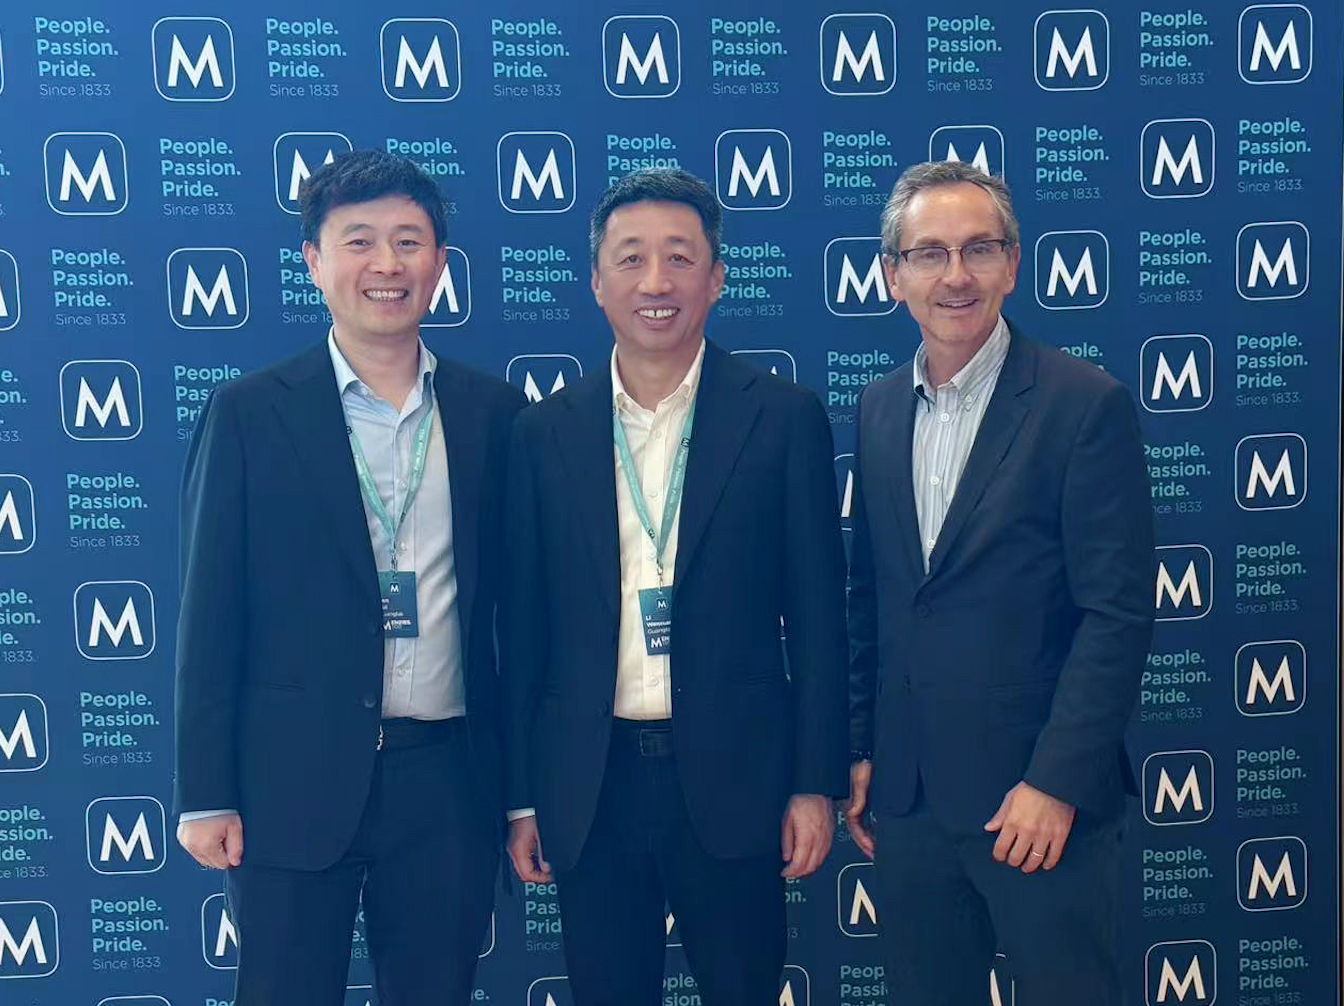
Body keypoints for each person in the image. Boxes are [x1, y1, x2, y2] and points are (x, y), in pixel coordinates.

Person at [174, 150, 524, 1005]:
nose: (386, 264)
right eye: (359, 240)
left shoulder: (494, 414)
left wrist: (521, 795)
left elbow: (521, 621)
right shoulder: (250, 412)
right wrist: (205, 794)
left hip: (446, 779)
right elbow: (208, 613)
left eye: (408, 240)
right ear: (314, 260)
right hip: (288, 780)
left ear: (439, 261)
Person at [501, 167, 849, 1005]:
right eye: (631, 258)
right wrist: (521, 798)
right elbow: (523, 630)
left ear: (716, 278)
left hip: (738, 778)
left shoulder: (783, 418)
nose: (655, 282)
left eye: (680, 258)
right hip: (591, 785)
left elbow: (818, 621)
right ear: (596, 281)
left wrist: (814, 782)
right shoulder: (542, 433)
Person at [844, 160, 1154, 1005]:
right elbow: (874, 599)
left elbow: (1117, 614)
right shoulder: (878, 410)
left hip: (1039, 811)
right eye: (930, 253)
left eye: (979, 249)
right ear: (892, 275)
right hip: (910, 810)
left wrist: (1055, 783)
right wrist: (865, 750)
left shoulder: (1084, 405)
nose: (956, 275)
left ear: (1013, 265)